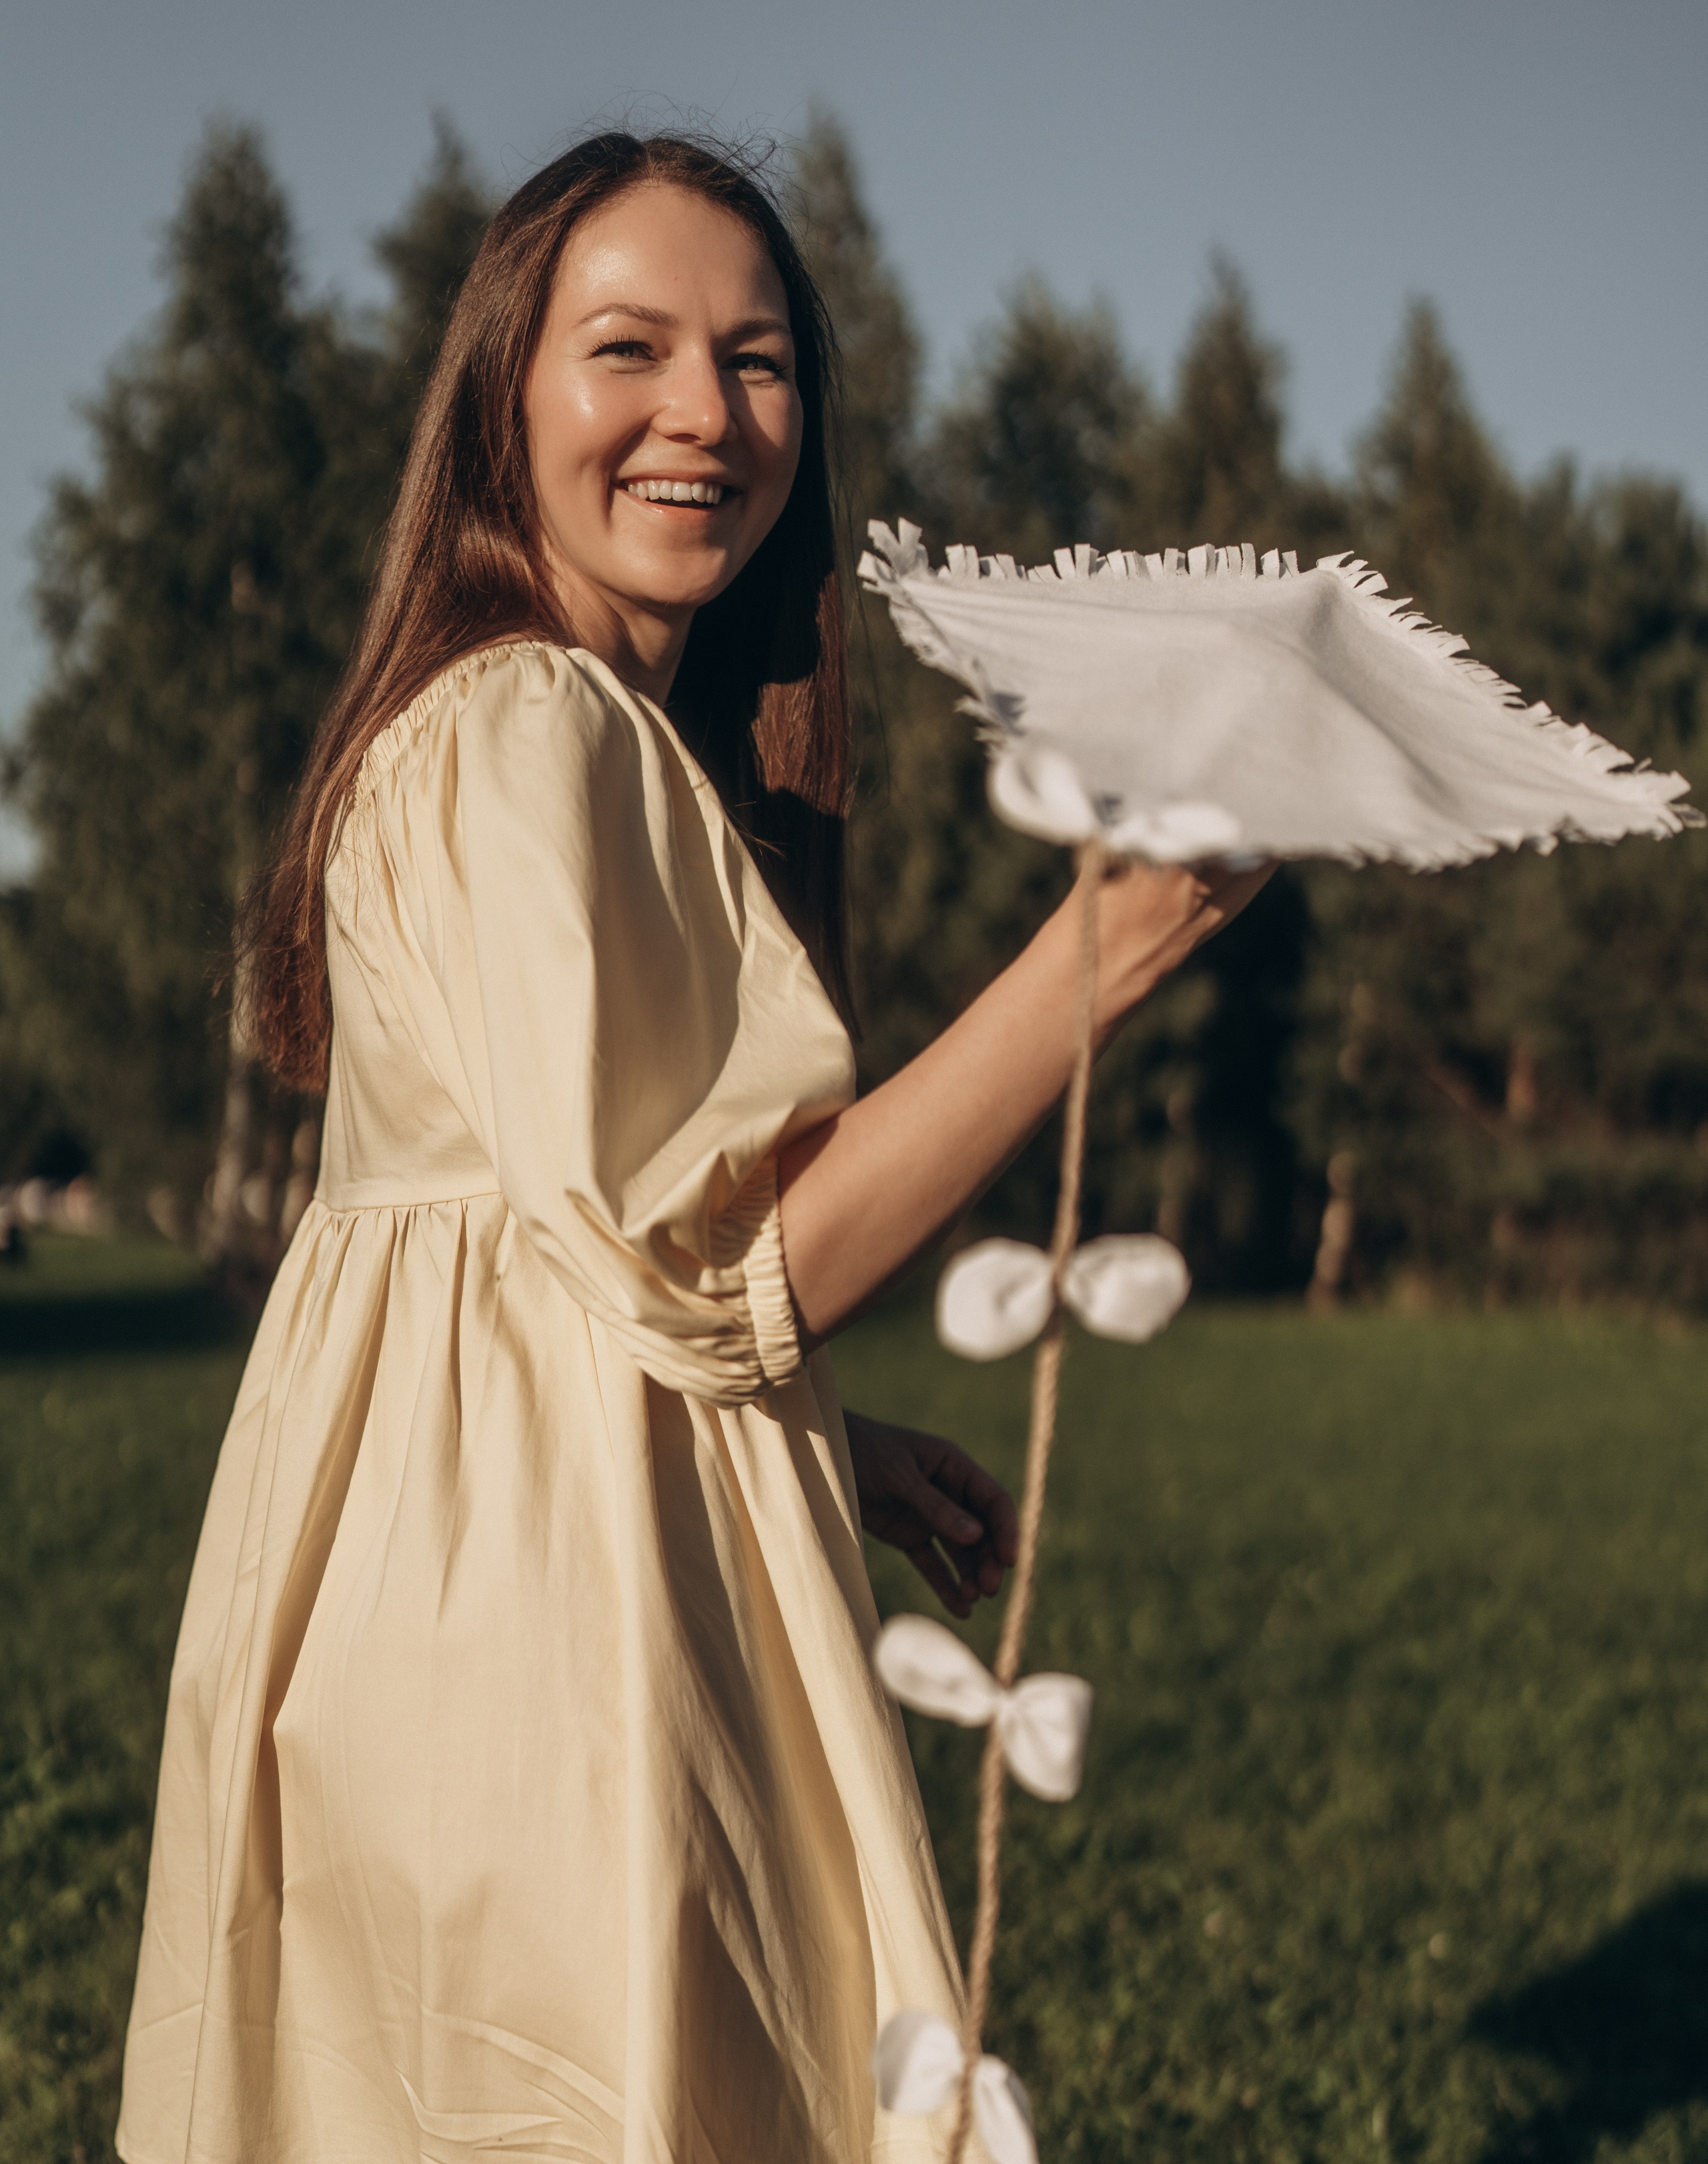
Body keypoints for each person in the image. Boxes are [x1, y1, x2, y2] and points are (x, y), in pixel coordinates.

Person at [116, 131, 1270, 2164]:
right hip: (525, 1654)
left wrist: (825, 1443)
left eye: (755, 362)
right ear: (505, 399)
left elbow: (580, 1261)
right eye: (625, 347)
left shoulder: (547, 731)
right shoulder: (527, 726)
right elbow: (728, 1275)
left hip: (472, 1571)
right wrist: (1106, 942)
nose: (702, 415)